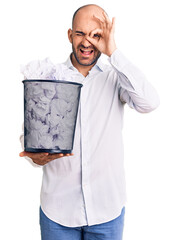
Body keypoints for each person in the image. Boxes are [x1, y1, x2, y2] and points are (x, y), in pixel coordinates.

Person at [19, 4, 159, 240]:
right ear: (70, 35)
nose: (87, 42)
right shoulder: (49, 77)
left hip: (107, 211)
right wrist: (35, 156)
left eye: (96, 35)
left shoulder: (116, 77)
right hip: (58, 211)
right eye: (81, 33)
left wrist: (114, 52)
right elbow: (31, 133)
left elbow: (149, 102)